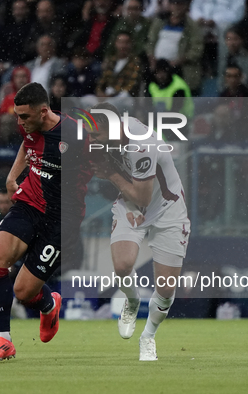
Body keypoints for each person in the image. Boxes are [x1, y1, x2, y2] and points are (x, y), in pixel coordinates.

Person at [0, 82, 91, 363]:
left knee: (23, 291)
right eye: (17, 116)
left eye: (24, 117)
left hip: (60, 220)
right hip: (29, 204)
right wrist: (12, 176)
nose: (19, 122)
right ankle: (4, 341)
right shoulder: (30, 124)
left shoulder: (75, 135)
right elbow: (27, 144)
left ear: (43, 112)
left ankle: (48, 303)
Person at [88, 102, 190, 361]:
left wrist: (110, 173)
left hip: (167, 207)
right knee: (122, 266)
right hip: (129, 204)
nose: (92, 140)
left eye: (96, 135)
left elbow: (142, 198)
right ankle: (132, 301)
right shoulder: (103, 137)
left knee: (165, 289)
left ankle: (148, 337)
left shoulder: (141, 144)